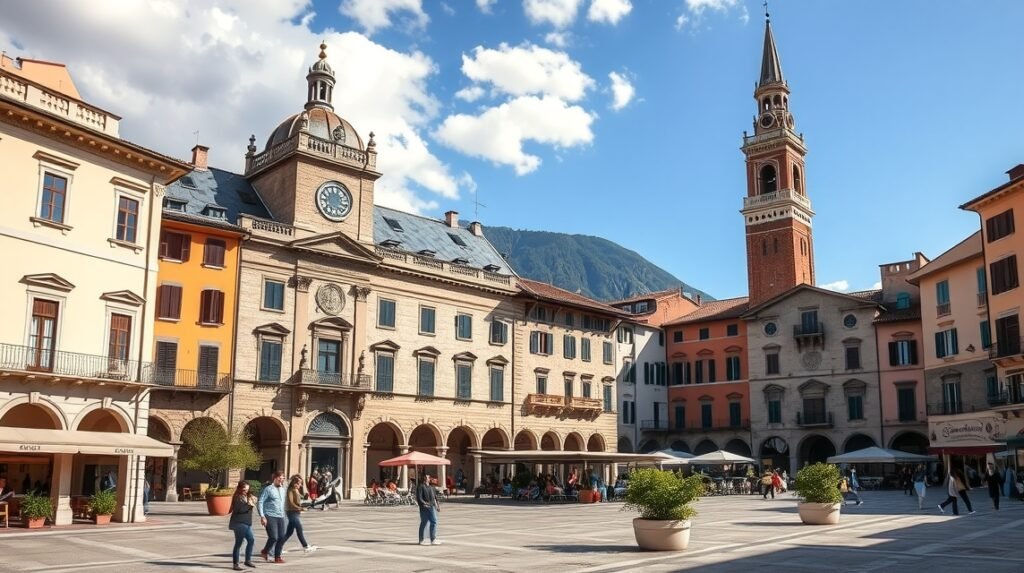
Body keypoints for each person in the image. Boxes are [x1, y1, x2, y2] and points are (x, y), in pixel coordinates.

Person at [258, 470, 288, 563]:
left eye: (283, 478)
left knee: (282, 537)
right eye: (280, 478)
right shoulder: (268, 489)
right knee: (273, 537)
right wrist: (262, 516)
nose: (281, 480)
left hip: (281, 516)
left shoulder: (283, 489)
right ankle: (265, 551)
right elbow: (260, 502)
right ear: (275, 478)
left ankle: (277, 557)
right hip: (270, 515)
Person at [283, 475, 318, 554]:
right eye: (299, 483)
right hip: (292, 512)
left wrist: (305, 498)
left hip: (295, 512)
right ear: (294, 483)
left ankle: (278, 547)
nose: (300, 485)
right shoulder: (290, 490)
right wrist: (300, 508)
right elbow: (291, 503)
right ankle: (305, 546)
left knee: (289, 532)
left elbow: (300, 499)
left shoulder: (296, 490)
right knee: (299, 529)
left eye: (301, 483)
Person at [228, 480, 258, 571]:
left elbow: (251, 504)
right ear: (240, 488)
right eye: (244, 489)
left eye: (247, 490)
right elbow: (238, 510)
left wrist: (253, 501)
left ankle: (247, 560)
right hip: (239, 523)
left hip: (246, 522)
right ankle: (235, 564)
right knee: (239, 543)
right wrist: (250, 505)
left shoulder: (247, 496)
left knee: (251, 540)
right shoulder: (237, 497)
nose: (246, 491)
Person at [416, 472, 441, 546]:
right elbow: (419, 498)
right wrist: (424, 504)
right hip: (424, 507)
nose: (428, 478)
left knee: (434, 521)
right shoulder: (420, 486)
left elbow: (435, 497)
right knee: (424, 522)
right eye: (427, 477)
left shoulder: (431, 487)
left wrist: (437, 506)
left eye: (429, 477)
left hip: (431, 507)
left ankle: (433, 539)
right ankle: (421, 540)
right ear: (424, 478)